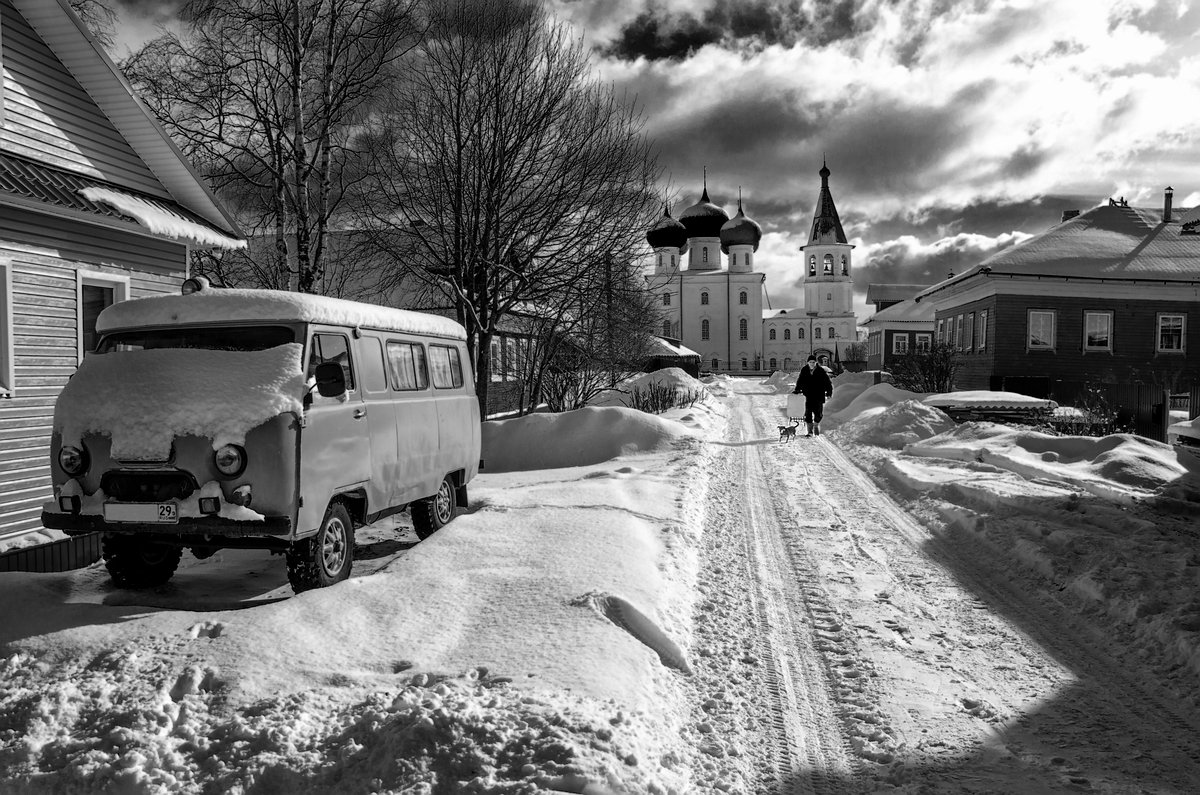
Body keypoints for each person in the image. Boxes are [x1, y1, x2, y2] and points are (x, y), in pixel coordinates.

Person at [792, 355, 833, 437]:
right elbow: (800, 380)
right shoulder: (804, 370)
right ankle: (810, 431)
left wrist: (829, 392)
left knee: (819, 414)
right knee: (808, 414)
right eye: (810, 362)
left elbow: (827, 382)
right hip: (808, 395)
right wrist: (797, 389)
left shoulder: (821, 371)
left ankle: (816, 424)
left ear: (816, 362)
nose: (812, 364)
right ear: (808, 362)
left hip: (819, 395)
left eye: (813, 362)